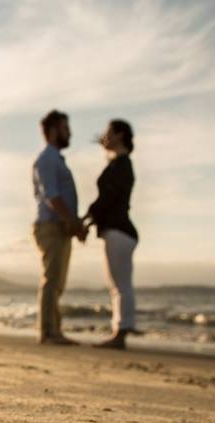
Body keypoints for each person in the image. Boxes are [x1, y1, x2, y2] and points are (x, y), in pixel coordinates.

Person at [32, 109, 86, 345]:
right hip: (51, 226)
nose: (69, 133)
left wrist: (72, 222)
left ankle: (54, 329)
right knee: (52, 279)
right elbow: (51, 196)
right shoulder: (47, 160)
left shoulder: (55, 159)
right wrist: (71, 220)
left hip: (60, 226)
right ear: (53, 130)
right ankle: (48, 331)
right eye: (66, 128)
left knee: (57, 281)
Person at [83, 119, 137, 349]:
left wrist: (85, 221)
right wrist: (87, 220)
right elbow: (106, 199)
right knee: (118, 283)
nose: (104, 136)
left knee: (120, 284)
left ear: (120, 134)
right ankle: (120, 330)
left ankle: (121, 331)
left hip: (119, 231)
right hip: (115, 230)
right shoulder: (117, 164)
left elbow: (108, 199)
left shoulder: (122, 165)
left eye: (108, 132)